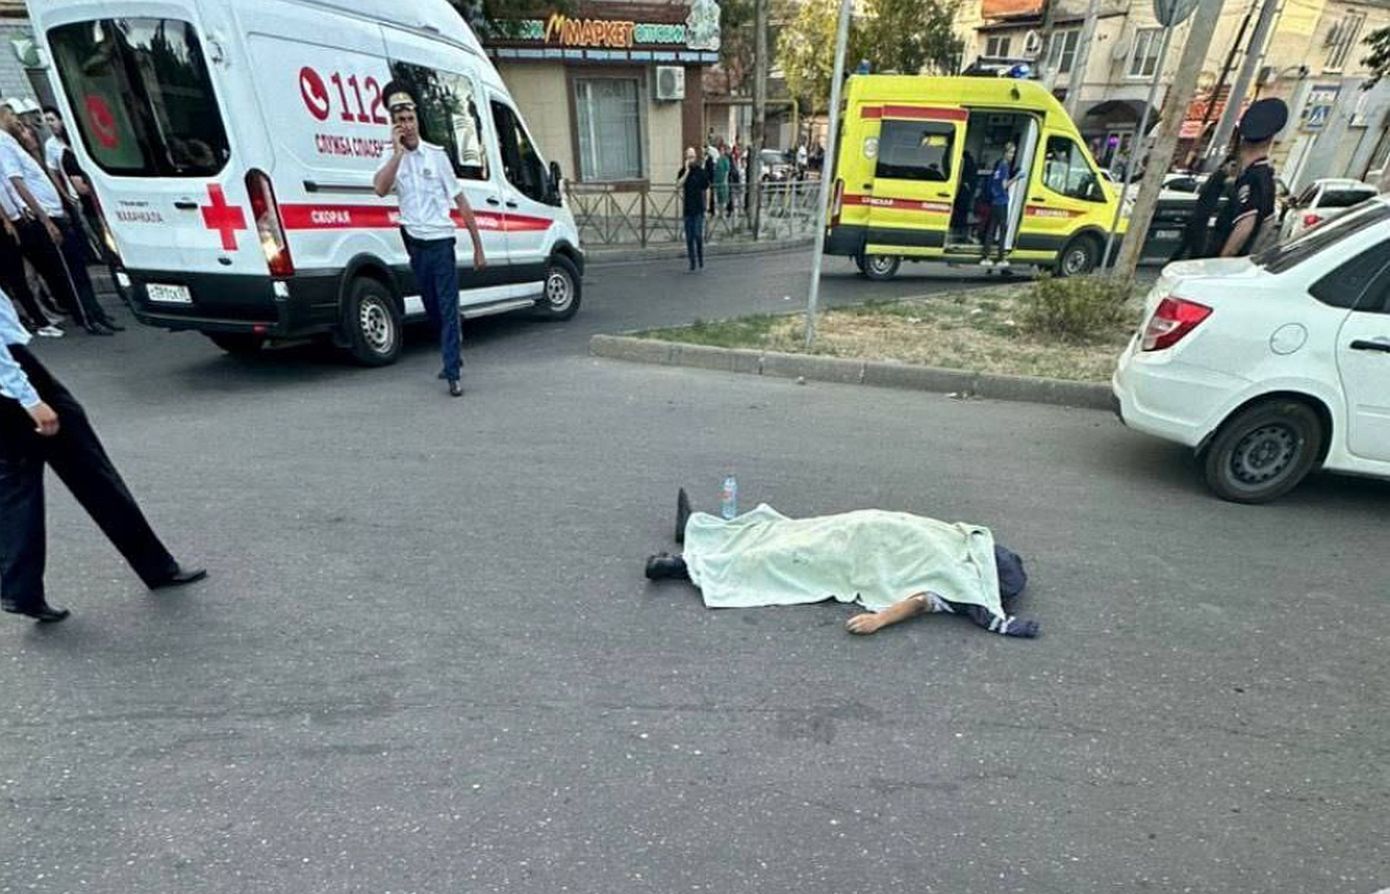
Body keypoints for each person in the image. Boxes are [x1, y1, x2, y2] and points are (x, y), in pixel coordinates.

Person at [0, 290, 206, 624]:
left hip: (11, 375)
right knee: (90, 470)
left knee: (18, 485)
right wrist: (30, 399)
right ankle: (156, 566)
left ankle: (21, 589)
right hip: (15, 375)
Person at [643, 489, 1039, 638]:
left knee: (783, 557)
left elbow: (921, 602)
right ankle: (699, 531)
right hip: (862, 531)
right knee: (785, 535)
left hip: (857, 555)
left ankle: (681, 566)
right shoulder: (956, 544)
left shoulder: (958, 583)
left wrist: (879, 620)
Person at [373, 83, 486, 398]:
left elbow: (461, 201)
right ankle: (453, 344)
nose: (407, 125)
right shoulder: (389, 157)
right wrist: (397, 154)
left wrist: (478, 246)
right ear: (394, 125)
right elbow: (380, 189)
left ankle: (452, 372)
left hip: (441, 241)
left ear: (417, 120)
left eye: (411, 119)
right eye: (401, 120)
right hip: (415, 241)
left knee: (447, 306)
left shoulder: (436, 156)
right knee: (432, 305)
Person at [0, 102, 120, 336]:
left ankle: (96, 313)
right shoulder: (3, 143)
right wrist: (44, 219)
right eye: (12, 115)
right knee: (70, 272)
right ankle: (87, 317)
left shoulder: (11, 142)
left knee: (78, 267)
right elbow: (16, 181)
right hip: (45, 216)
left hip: (53, 211)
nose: (17, 120)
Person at [1212, 98, 1288, 259]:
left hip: (1228, 264)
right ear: (1270, 140)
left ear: (1243, 143)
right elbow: (1267, 225)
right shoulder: (1265, 177)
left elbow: (1244, 225)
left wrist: (1223, 260)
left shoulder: (1253, 178)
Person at [1169, 156, 1236, 263]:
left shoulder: (1216, 175)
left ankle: (1173, 263)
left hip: (1200, 216)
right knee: (1196, 249)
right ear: (1225, 164)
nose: (1233, 169)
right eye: (1232, 165)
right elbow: (1230, 184)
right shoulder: (1220, 176)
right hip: (1200, 217)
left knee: (1186, 246)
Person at [981, 142, 1018, 269]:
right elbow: (1004, 185)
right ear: (1005, 153)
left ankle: (985, 256)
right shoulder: (1004, 166)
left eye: (1013, 153)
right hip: (1002, 201)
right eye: (1011, 152)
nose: (1012, 155)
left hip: (994, 201)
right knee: (1002, 230)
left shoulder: (998, 165)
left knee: (991, 229)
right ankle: (1001, 257)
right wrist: (1016, 178)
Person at [677, 147, 710, 272]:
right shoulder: (682, 171)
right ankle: (692, 261)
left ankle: (700, 257)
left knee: (697, 235)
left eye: (692, 157)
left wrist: (707, 208)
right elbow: (678, 185)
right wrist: (686, 171)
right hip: (688, 209)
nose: (690, 159)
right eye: (688, 157)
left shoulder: (700, 172)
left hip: (698, 209)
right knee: (689, 238)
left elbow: (707, 188)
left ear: (695, 158)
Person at [951, 150, 979, 241]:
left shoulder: (965, 162)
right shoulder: (971, 162)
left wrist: (964, 183)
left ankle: (957, 228)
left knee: (960, 210)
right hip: (969, 189)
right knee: (964, 211)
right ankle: (961, 231)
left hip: (964, 190)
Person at [713, 142, 731, 218]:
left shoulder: (725, 160)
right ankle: (719, 213)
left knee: (724, 198)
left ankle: (723, 213)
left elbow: (727, 171)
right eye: (720, 151)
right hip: (717, 180)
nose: (721, 152)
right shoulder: (717, 160)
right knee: (718, 198)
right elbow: (715, 170)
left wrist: (725, 180)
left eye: (722, 150)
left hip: (723, 181)